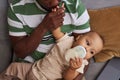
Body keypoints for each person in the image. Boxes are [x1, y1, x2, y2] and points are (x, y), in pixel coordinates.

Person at [0, 27, 103, 80]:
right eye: (87, 43)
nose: (86, 49)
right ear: (79, 37)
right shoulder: (67, 40)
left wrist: (72, 69)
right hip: (34, 69)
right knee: (13, 67)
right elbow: (57, 32)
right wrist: (56, 17)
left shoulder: (80, 63)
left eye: (91, 52)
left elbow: (68, 78)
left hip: (47, 78)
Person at [8, 0, 91, 62]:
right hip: (31, 67)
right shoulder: (16, 9)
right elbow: (20, 53)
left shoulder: (76, 7)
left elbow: (86, 54)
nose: (55, 2)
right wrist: (43, 27)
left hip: (65, 68)